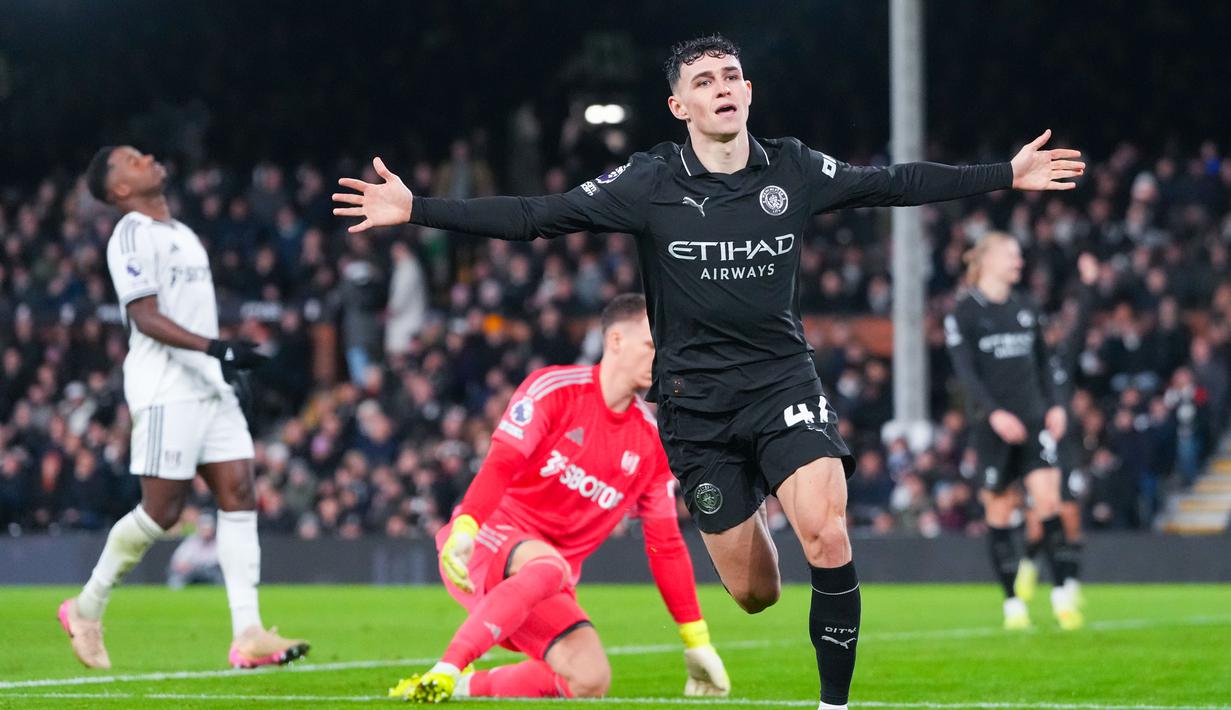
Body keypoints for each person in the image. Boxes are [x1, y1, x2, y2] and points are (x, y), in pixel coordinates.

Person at [336, 35, 1083, 709]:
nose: (723, 86)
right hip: (696, 411)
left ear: (747, 92)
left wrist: (1003, 174)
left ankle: (834, 706)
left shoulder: (791, 167)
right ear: (679, 104)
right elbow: (538, 213)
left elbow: (891, 182)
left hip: (781, 385)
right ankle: (754, 503)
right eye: (704, 80)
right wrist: (418, 210)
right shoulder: (649, 181)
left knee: (825, 531)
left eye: (732, 75)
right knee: (754, 594)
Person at [387, 294, 729, 702]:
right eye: (652, 345)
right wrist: (467, 526)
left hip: (545, 581)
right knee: (551, 567)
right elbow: (501, 463)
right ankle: (445, 669)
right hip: (484, 542)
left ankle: (464, 687)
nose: (662, 358)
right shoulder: (555, 390)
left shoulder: (652, 444)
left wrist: (697, 640)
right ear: (615, 340)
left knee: (589, 680)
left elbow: (666, 544)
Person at [58, 145, 309, 670]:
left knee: (240, 493)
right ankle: (85, 608)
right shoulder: (131, 233)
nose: (147, 157)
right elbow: (144, 317)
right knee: (163, 511)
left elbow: (190, 315)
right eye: (131, 159)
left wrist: (221, 367)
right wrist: (218, 349)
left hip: (208, 387)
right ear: (120, 190)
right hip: (165, 388)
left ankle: (248, 633)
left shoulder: (185, 235)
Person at [944, 232, 1082, 631]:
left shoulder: (1026, 305)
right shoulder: (964, 311)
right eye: (1010, 254)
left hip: (1035, 418)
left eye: (1019, 255)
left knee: (1049, 502)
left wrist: (1055, 404)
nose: (1018, 261)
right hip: (994, 428)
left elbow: (1045, 364)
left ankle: (1061, 597)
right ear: (985, 260)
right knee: (1000, 512)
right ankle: (1012, 605)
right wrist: (994, 415)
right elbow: (966, 374)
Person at [1015, 253, 1099, 609]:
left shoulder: (1061, 362)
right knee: (1039, 520)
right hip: (1037, 446)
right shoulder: (1023, 368)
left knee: (1070, 515)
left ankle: (1069, 582)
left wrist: (1089, 286)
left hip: (1067, 448)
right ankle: (1030, 562)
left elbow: (1080, 325)